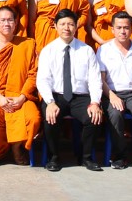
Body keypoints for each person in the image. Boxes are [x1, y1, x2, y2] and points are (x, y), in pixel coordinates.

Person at [35, 9, 104, 172]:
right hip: (56, 96)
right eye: (63, 24)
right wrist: (50, 102)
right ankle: (54, 158)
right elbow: (42, 79)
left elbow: (95, 79)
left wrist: (95, 102)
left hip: (80, 97)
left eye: (71, 24)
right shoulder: (48, 50)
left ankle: (86, 157)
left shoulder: (86, 50)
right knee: (50, 116)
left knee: (93, 117)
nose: (67, 28)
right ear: (55, 26)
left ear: (76, 26)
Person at [0, 5, 39, 165]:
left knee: (34, 118)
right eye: (2, 20)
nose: (7, 24)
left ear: (16, 22)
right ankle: (1, 148)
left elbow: (33, 74)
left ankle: (18, 147)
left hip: (20, 93)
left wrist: (22, 98)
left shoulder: (28, 44)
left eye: (10, 20)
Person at [96, 11, 132, 169]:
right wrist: (111, 96)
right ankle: (119, 154)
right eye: (119, 27)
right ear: (112, 29)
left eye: (126, 28)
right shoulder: (104, 50)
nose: (123, 31)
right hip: (111, 93)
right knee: (115, 114)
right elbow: (100, 79)